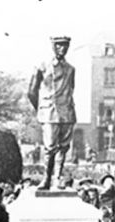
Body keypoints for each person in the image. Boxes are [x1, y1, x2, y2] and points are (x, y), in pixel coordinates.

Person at [28, 36, 76, 190]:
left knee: (64, 147)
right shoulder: (42, 67)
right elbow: (32, 92)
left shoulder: (70, 69)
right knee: (49, 147)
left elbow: (70, 90)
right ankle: (46, 178)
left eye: (65, 46)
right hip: (49, 112)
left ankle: (58, 178)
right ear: (53, 47)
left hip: (67, 112)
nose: (62, 48)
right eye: (59, 45)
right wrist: (41, 109)